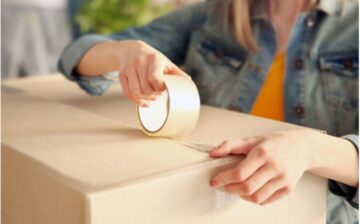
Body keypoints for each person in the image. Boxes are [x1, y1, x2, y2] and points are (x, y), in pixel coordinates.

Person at [58, 0, 358, 222]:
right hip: (205, 207)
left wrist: (310, 148)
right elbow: (76, 54)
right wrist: (124, 52)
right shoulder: (213, 16)